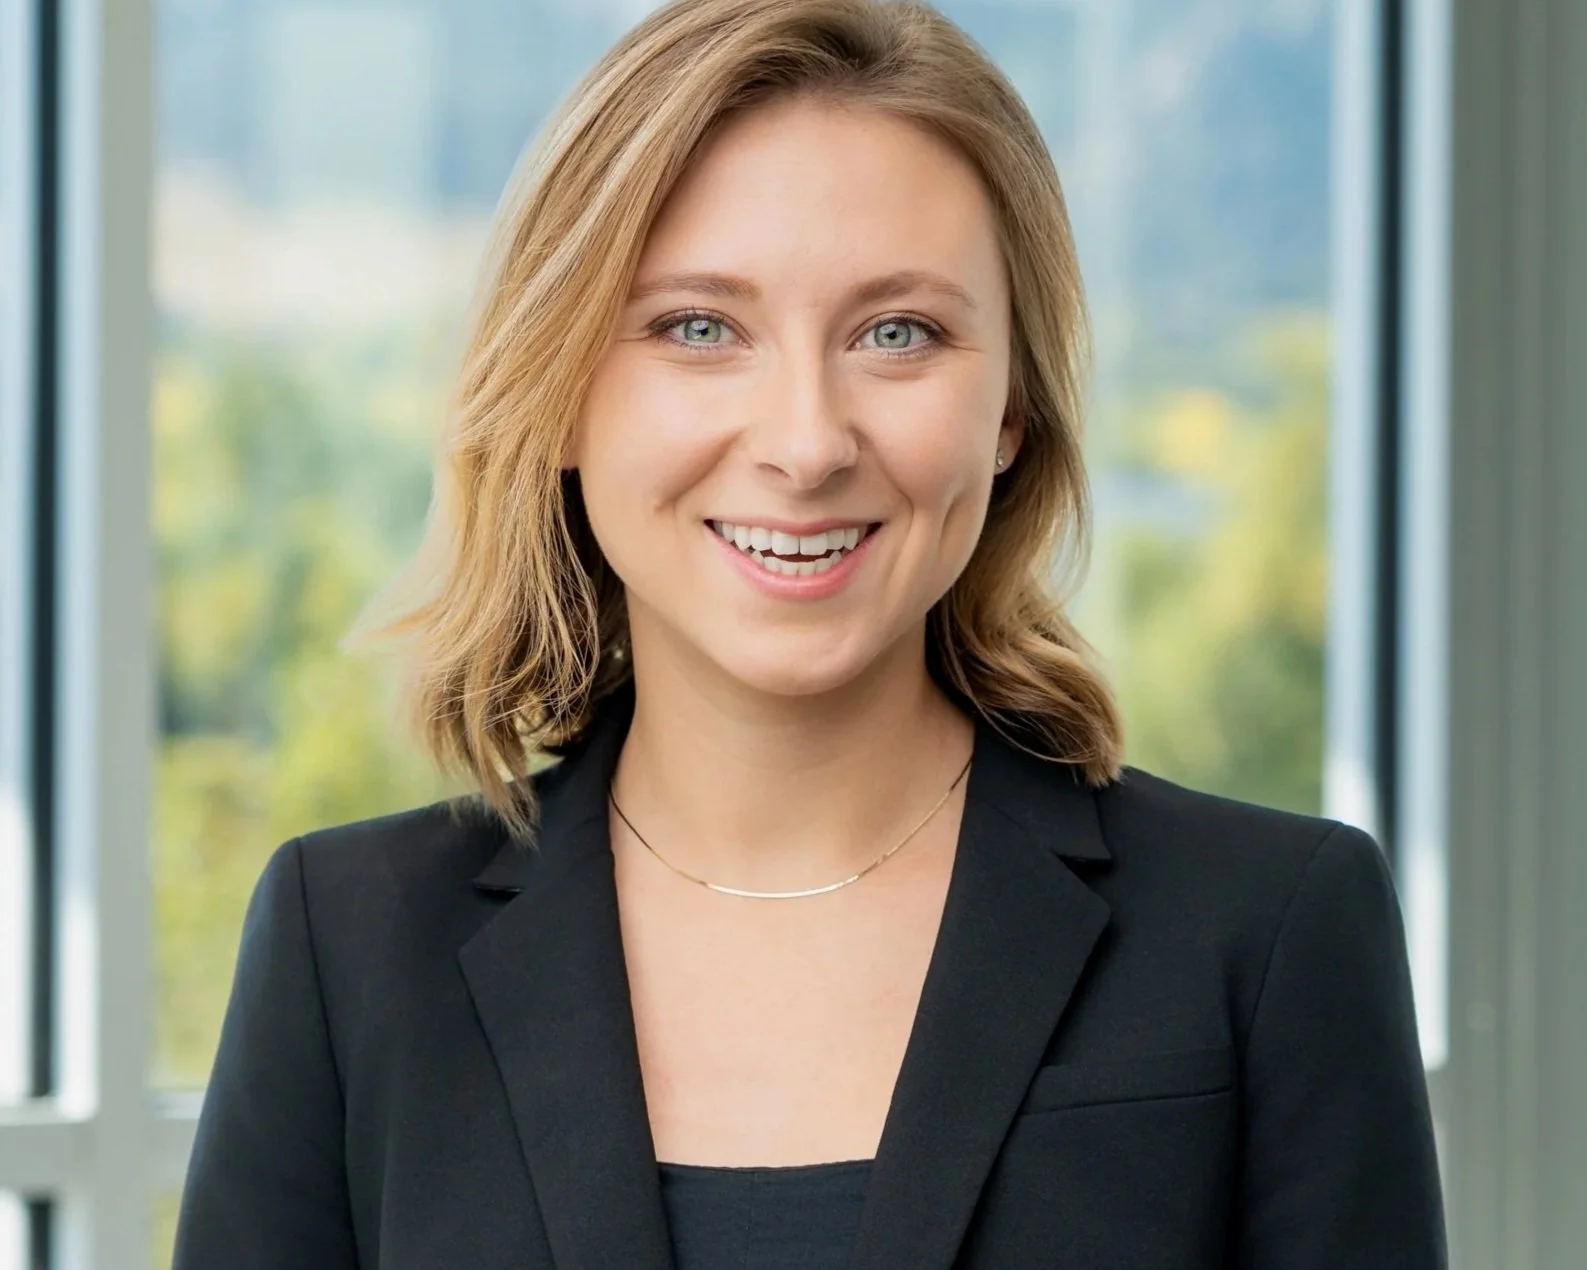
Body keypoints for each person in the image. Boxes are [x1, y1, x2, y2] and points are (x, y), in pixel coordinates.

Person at [172, 0, 1448, 1266]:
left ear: (1012, 407)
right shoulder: (346, 948)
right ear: (558, 395)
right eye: (699, 328)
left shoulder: (1271, 932)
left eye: (899, 333)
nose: (805, 442)